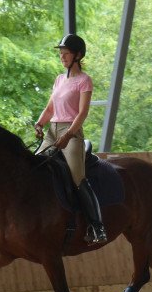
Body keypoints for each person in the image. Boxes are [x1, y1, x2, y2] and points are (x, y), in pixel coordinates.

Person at [34, 34, 107, 245]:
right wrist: (39, 124)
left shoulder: (84, 81)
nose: (62, 57)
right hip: (52, 130)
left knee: (78, 178)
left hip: (71, 132)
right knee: (36, 166)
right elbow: (50, 108)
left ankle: (97, 226)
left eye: (66, 53)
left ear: (78, 55)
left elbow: (82, 113)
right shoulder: (59, 79)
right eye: (61, 53)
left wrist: (68, 135)